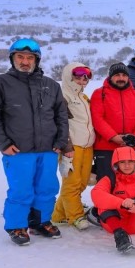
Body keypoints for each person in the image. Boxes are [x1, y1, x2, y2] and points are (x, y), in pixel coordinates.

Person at [0, 38, 68, 245]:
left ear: (36, 60)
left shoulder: (51, 85)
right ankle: (17, 225)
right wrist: (3, 144)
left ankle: (40, 222)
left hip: (48, 149)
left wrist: (61, 141)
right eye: (20, 57)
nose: (25, 61)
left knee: (47, 188)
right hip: (18, 150)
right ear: (12, 59)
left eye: (30, 57)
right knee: (21, 190)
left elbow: (61, 116)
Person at [90, 146, 135, 254]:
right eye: (122, 162)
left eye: (130, 162)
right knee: (103, 204)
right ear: (117, 164)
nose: (127, 165)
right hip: (114, 223)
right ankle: (120, 238)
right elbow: (96, 194)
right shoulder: (109, 179)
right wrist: (122, 203)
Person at [51, 62, 95, 230]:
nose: (82, 81)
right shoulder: (63, 96)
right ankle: (75, 216)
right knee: (72, 183)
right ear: (69, 76)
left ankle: (58, 215)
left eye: (86, 78)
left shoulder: (83, 97)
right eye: (78, 77)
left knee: (82, 182)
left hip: (87, 146)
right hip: (72, 148)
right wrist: (66, 146)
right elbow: (59, 123)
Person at [90, 62, 135, 182]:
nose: (121, 78)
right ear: (110, 77)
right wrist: (113, 137)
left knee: (132, 182)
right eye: (117, 75)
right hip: (106, 147)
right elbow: (97, 119)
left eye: (124, 75)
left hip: (133, 147)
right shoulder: (99, 93)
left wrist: (134, 139)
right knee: (107, 182)